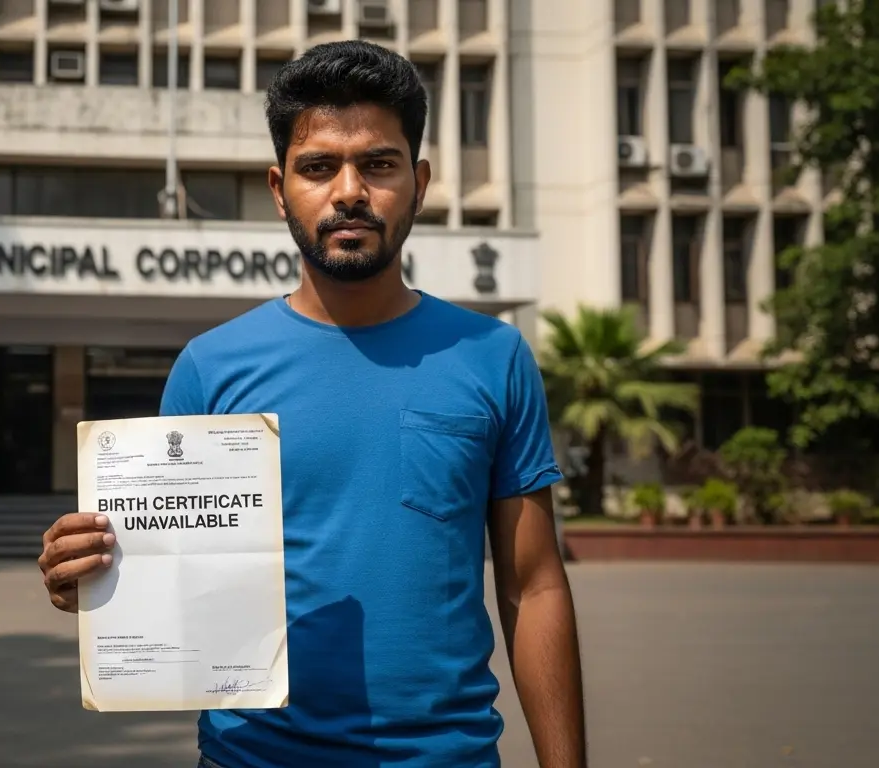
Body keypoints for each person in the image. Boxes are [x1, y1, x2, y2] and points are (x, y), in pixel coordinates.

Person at [39, 40, 586, 768]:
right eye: (319, 167)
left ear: (420, 183)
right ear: (279, 187)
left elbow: (535, 586)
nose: (350, 191)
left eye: (379, 164)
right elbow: (168, 574)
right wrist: (93, 580)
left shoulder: (493, 356)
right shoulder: (210, 368)